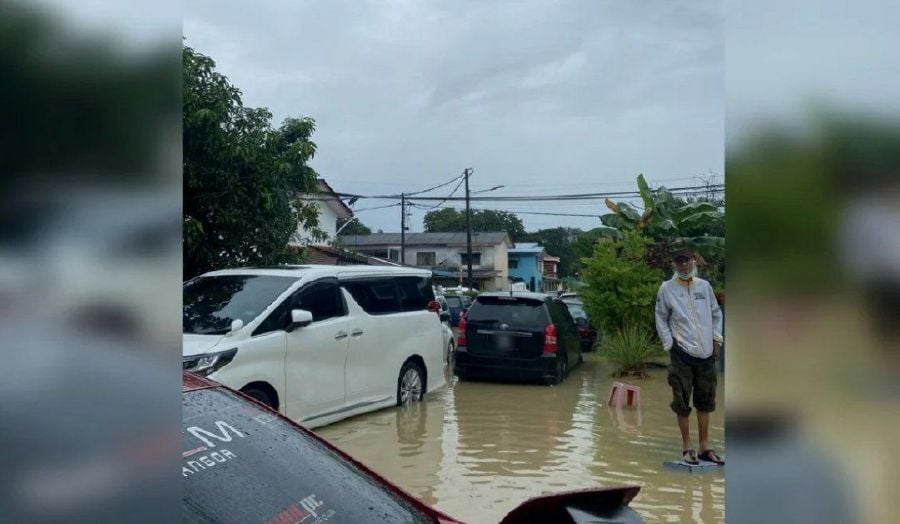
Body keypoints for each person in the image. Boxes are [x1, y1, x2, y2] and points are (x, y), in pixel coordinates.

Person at [655, 244, 725, 465]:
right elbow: (661, 318)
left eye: (686, 260)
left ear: (694, 261)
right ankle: (687, 447)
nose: (683, 265)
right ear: (674, 264)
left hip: (706, 354)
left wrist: (717, 339)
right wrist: (669, 344)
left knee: (706, 401)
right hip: (681, 353)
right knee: (682, 401)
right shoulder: (667, 288)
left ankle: (705, 447)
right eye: (679, 261)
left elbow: (716, 314)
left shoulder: (704, 287)